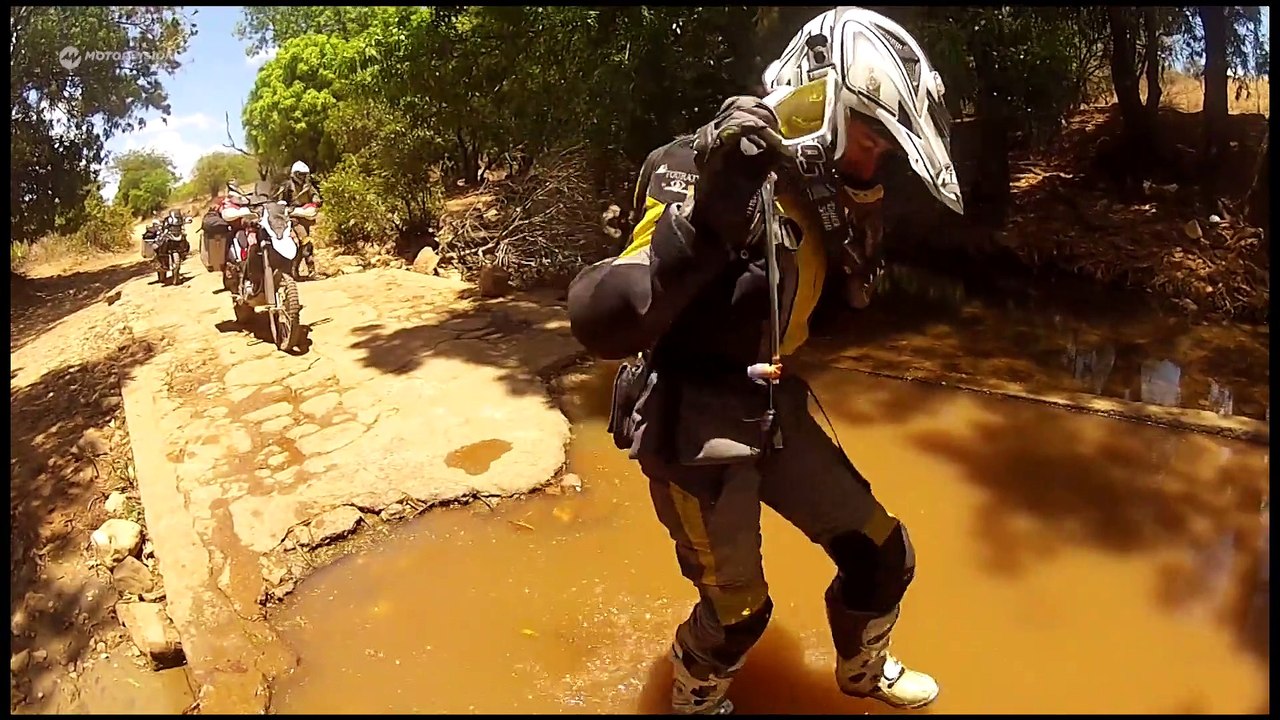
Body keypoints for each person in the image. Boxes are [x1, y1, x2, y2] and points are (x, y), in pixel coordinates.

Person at [565, 8, 963, 716]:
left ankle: (862, 672)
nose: (872, 166)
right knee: (740, 615)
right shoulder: (698, 166)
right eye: (867, 143)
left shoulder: (824, 197)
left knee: (885, 554)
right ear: (821, 104)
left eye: (883, 154)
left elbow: (831, 306)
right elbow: (604, 316)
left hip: (770, 405)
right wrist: (709, 218)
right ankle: (694, 699)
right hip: (692, 426)